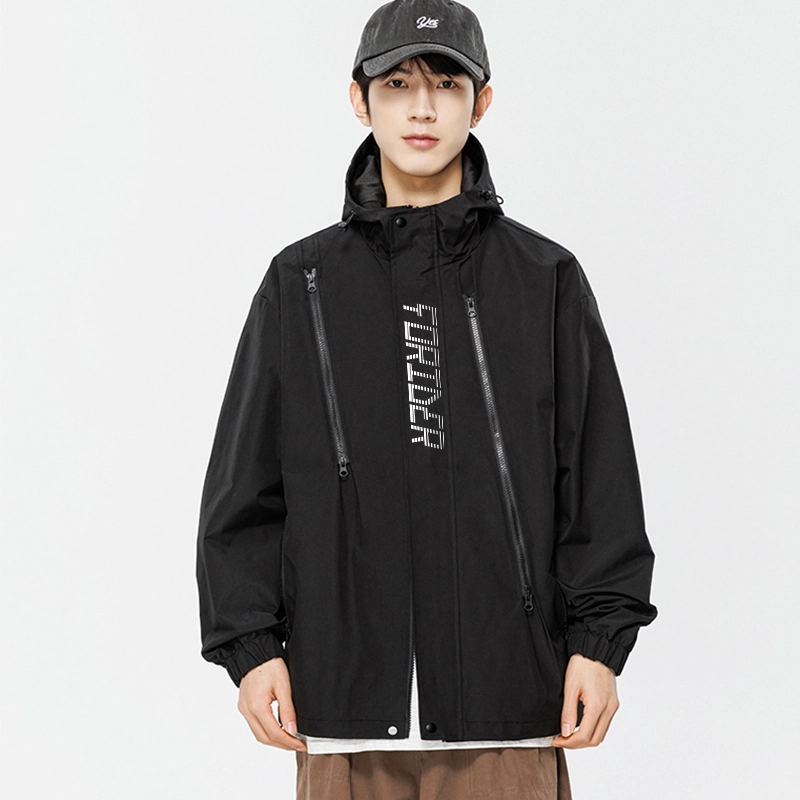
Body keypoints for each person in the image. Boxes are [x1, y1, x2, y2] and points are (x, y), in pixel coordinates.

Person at [195, 1, 658, 797]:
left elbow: (599, 479)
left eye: (446, 84)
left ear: (481, 102)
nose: (421, 108)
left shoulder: (544, 280)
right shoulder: (301, 283)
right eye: (397, 83)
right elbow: (244, 492)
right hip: (341, 711)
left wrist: (599, 643)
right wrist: (251, 647)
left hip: (509, 706)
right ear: (359, 99)